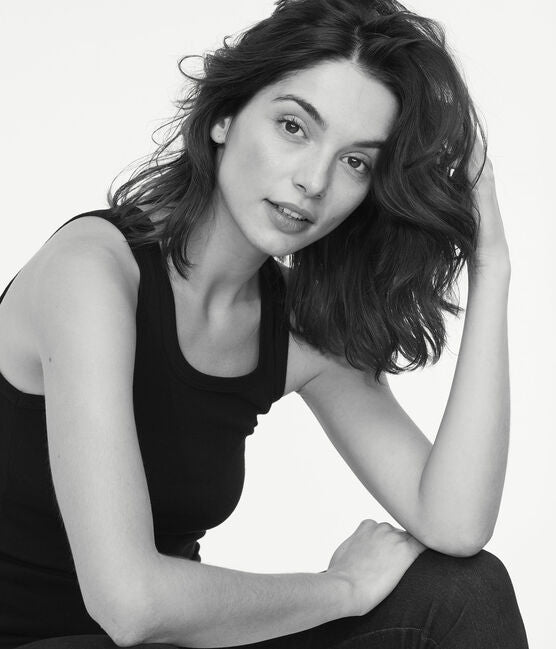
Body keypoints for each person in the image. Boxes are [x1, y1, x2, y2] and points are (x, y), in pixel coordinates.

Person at [0, 0, 529, 647]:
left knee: (463, 589)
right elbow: (128, 604)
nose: (314, 180)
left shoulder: (298, 325)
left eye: (356, 161)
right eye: (294, 127)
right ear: (225, 116)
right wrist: (342, 588)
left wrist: (491, 265)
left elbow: (455, 525)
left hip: (175, 638)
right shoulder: (91, 272)